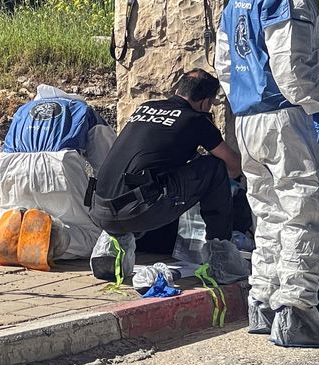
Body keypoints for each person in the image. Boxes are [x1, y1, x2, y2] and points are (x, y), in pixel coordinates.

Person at [214, 0, 319, 348]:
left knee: (267, 214)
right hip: (287, 117)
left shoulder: (237, 0)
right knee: (306, 210)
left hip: (249, 120)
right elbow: (292, 63)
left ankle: (264, 300)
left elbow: (226, 66)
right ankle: (299, 309)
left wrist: (244, 105)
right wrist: (316, 107)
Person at [88, 69, 241, 277]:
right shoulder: (196, 120)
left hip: (100, 209)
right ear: (206, 102)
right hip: (140, 211)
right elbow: (232, 165)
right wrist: (228, 186)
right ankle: (222, 259)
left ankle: (111, 252)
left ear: (178, 89)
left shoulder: (145, 108)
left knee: (138, 180)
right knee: (214, 167)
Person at [0, 85, 116, 271]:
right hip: (57, 165)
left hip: (9, 166)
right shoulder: (83, 110)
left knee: (16, 216)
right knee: (93, 238)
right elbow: (109, 162)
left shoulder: (22, 110)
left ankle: (11, 239)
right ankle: (53, 239)